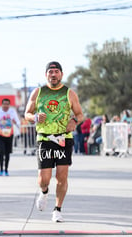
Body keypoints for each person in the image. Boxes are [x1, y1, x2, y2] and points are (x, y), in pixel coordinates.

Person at [24, 61, 83, 222]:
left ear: (61, 74)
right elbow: (27, 114)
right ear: (46, 75)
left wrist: (74, 122)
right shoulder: (38, 92)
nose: (53, 74)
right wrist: (35, 117)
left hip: (64, 139)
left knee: (62, 177)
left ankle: (57, 210)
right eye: (50, 72)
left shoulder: (69, 93)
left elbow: (79, 114)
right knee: (44, 178)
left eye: (56, 71)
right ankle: (44, 192)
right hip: (44, 139)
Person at [0, 98, 21, 176]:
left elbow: (18, 122)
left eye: (7, 104)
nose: (6, 105)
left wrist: (16, 122)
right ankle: (1, 169)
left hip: (9, 134)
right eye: (4, 104)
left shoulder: (12, 112)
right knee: (1, 151)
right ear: (2, 104)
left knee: (7, 152)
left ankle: (6, 169)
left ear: (9, 105)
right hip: (0, 133)